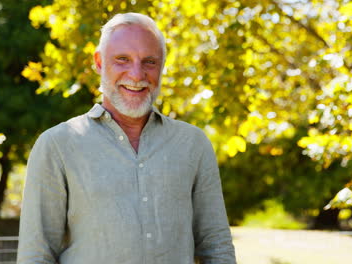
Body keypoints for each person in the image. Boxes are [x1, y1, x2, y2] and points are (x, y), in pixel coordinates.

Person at [17, 13, 236, 264]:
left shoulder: (193, 145)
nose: (136, 74)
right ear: (99, 62)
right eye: (122, 59)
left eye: (149, 62)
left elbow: (217, 248)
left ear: (162, 66)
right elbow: (36, 256)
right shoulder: (57, 146)